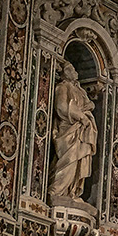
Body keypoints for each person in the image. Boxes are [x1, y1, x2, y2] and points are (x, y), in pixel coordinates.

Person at [48, 62, 97, 204]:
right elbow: (62, 106)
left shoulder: (79, 90)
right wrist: (81, 117)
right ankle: (57, 191)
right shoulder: (62, 87)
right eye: (72, 70)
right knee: (68, 160)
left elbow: (89, 104)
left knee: (78, 160)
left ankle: (72, 191)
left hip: (81, 131)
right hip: (68, 130)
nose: (75, 72)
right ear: (66, 73)